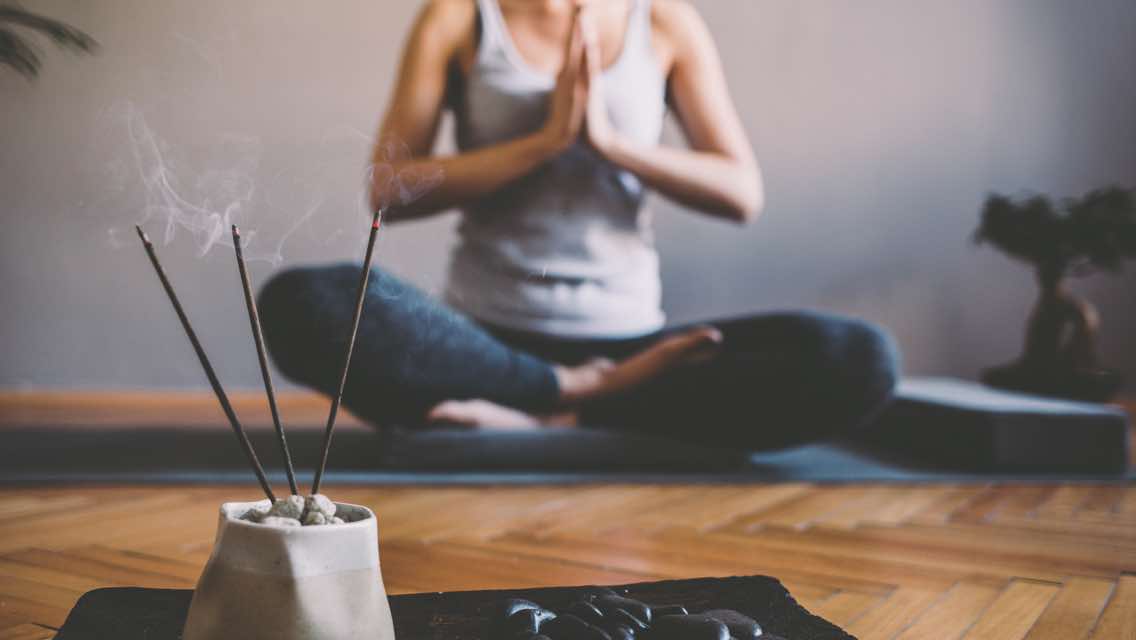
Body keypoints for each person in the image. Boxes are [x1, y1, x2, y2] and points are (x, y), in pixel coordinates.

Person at [259, 0, 899, 450]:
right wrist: (543, 143)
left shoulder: (665, 20)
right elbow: (388, 190)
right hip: (478, 345)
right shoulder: (458, 15)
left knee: (858, 359)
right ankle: (570, 392)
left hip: (635, 353)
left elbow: (741, 192)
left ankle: (560, 415)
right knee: (304, 302)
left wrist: (610, 144)